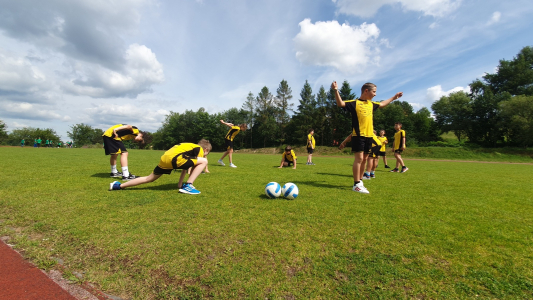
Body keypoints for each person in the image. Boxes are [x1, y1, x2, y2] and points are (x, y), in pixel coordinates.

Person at [332, 81, 402, 194]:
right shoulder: (354, 103)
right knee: (359, 159)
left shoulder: (371, 104)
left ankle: (359, 181)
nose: (375, 94)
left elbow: (383, 104)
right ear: (366, 91)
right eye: (374, 91)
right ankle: (356, 184)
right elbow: (340, 104)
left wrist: (394, 97)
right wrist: (336, 90)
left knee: (365, 159)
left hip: (369, 136)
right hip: (358, 136)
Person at [109, 140, 212, 195]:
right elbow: (196, 164)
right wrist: (188, 182)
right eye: (206, 153)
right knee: (204, 161)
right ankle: (189, 186)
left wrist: (180, 184)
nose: (204, 154)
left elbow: (186, 166)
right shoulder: (199, 148)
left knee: (149, 178)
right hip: (175, 159)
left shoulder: (189, 146)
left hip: (165, 158)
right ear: (206, 149)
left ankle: (118, 186)